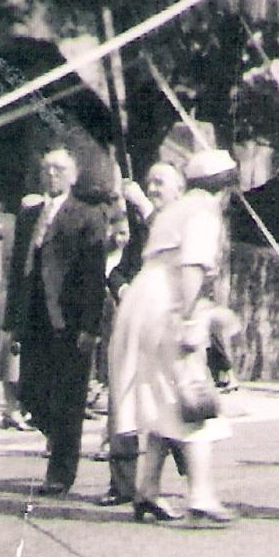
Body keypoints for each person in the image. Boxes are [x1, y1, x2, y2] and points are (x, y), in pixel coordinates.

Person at [109, 149, 239, 526]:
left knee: (166, 400)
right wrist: (189, 317)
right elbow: (193, 266)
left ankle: (146, 491)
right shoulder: (204, 213)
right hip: (168, 303)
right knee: (193, 398)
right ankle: (200, 495)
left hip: (140, 301)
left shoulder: (176, 209)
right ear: (224, 189)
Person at [3, 146, 106, 495]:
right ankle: (59, 437)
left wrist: (91, 327)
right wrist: (13, 319)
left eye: (60, 169)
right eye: (47, 168)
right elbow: (19, 268)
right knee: (30, 391)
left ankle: (61, 472)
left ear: (74, 175)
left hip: (69, 319)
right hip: (34, 318)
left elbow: (94, 276)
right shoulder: (31, 214)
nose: (52, 175)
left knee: (69, 397)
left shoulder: (88, 215)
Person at [97, 162, 187, 507]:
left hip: (168, 323)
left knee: (172, 402)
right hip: (137, 322)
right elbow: (120, 270)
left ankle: (195, 479)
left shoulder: (181, 218)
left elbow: (175, 248)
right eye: (149, 182)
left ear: (178, 190)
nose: (151, 188)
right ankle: (122, 485)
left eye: (160, 182)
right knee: (123, 398)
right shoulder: (141, 227)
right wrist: (122, 289)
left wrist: (144, 207)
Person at [0, 201, 33, 430]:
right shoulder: (11, 222)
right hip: (5, 290)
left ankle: (14, 407)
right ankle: (12, 407)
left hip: (7, 290)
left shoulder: (10, 222)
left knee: (12, 348)